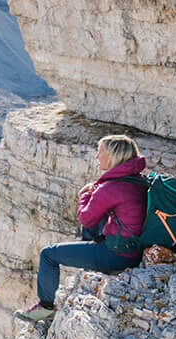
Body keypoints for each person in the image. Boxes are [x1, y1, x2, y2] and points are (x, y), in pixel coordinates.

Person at [13, 134, 147, 327]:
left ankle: (45, 307)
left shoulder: (112, 187)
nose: (96, 157)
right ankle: (91, 256)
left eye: (99, 152)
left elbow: (86, 217)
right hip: (134, 250)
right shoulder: (137, 180)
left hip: (116, 256)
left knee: (48, 254)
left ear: (112, 156)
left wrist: (84, 196)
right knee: (99, 214)